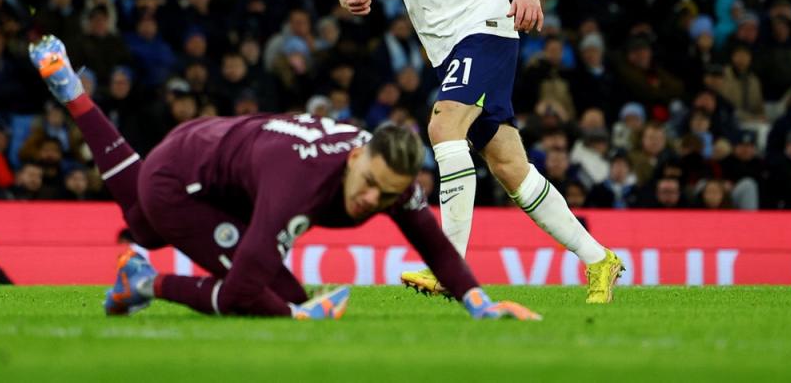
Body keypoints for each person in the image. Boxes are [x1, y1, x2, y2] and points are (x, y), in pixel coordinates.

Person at [28, 35, 541, 321]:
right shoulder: (299, 182)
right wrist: (298, 319)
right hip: (182, 175)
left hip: (221, 153)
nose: (370, 200)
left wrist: (481, 305)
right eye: (368, 184)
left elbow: (436, 247)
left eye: (385, 195)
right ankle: (145, 280)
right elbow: (238, 293)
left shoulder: (391, 174)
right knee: (267, 295)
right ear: (355, 156)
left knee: (143, 229)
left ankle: (74, 93)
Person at [338, 0, 621, 303]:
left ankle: (451, 268)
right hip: (441, 45)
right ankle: (601, 259)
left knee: (443, 126)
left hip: (486, 25)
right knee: (510, 167)